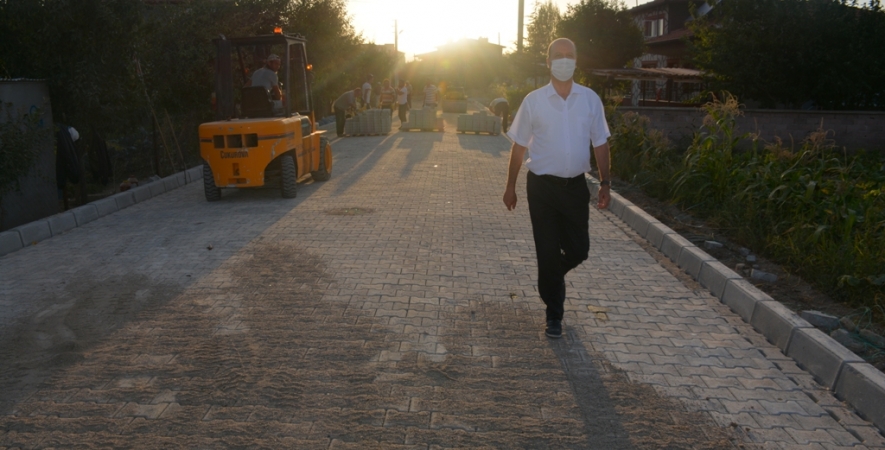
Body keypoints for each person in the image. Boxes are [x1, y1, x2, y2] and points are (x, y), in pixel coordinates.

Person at [502, 38, 612, 339]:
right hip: (542, 189)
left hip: (576, 188)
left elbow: (600, 143)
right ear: (548, 62)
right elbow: (519, 146)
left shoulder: (589, 99)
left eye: (569, 55)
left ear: (576, 61)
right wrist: (510, 186)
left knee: (579, 250)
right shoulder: (533, 101)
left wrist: (605, 182)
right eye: (558, 55)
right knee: (547, 250)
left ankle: (549, 278)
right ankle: (554, 316)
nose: (564, 60)